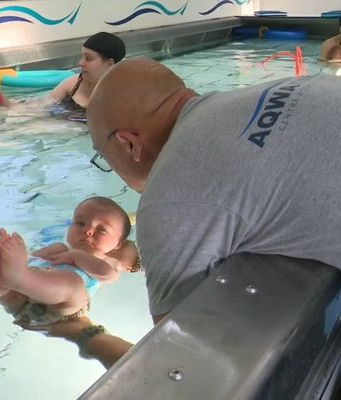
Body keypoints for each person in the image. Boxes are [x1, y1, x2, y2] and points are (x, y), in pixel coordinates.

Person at [60, 58, 341, 367]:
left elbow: (184, 364)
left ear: (129, 144)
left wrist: (81, 332)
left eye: (105, 157)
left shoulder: (168, 200)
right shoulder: (279, 87)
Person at [0, 196, 140, 325]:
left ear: (118, 244)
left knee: (75, 286)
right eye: (80, 223)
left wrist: (76, 257)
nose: (88, 231)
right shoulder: (59, 248)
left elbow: (109, 275)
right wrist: (13, 259)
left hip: (61, 310)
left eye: (102, 229)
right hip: (24, 298)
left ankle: (15, 279)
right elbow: (31, 260)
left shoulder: (106, 260)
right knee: (7, 281)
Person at [0, 32, 126, 121]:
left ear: (109, 64)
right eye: (82, 56)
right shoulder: (73, 84)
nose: (80, 63)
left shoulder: (124, 96)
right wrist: (8, 104)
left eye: (88, 58)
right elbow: (42, 105)